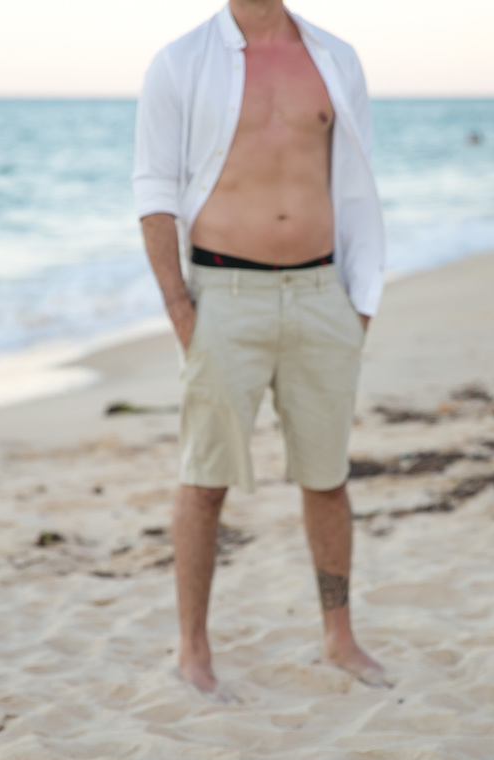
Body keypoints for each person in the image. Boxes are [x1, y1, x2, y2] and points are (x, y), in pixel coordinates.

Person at [132, 0, 388, 701]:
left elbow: (358, 187)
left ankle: (339, 635)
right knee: (205, 480)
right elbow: (154, 191)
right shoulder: (180, 63)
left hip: (320, 293)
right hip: (223, 295)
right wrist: (181, 310)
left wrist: (360, 301)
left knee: (327, 475)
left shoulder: (335, 57)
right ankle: (192, 648)